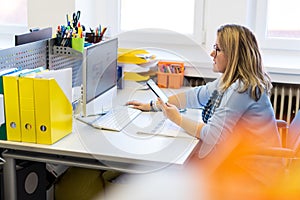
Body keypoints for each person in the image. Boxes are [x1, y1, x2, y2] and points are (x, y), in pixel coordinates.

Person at [127, 24, 284, 193]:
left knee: (174, 172)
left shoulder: (241, 88)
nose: (212, 54)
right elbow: (194, 96)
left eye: (218, 49)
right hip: (242, 160)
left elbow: (212, 135)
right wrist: (152, 106)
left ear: (233, 55)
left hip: (255, 174)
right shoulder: (229, 81)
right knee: (180, 166)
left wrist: (176, 118)